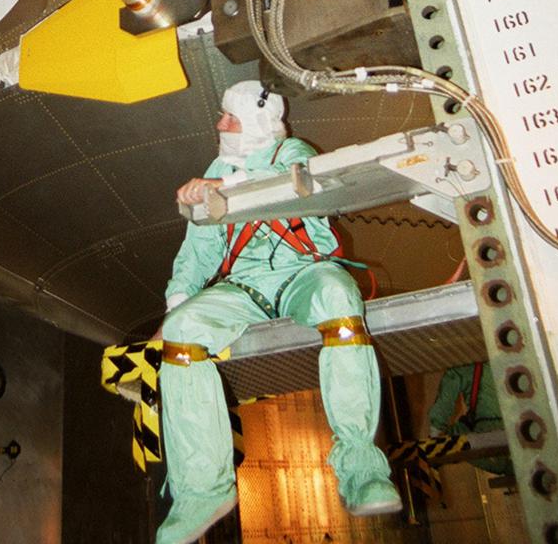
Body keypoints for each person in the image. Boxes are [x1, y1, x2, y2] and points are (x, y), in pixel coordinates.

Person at [156, 80, 400, 544]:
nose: (219, 124)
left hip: (304, 273)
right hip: (244, 286)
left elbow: (287, 184)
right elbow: (198, 252)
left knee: (337, 296)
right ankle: (202, 491)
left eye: (230, 118)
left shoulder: (292, 151)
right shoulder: (216, 168)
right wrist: (177, 302)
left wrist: (219, 186)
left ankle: (360, 468)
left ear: (256, 126)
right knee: (183, 328)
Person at [429, 362, 512, 476]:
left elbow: (452, 381)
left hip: (486, 430)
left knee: (453, 439)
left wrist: (436, 429)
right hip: (517, 427)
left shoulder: (471, 362)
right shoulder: (519, 359)